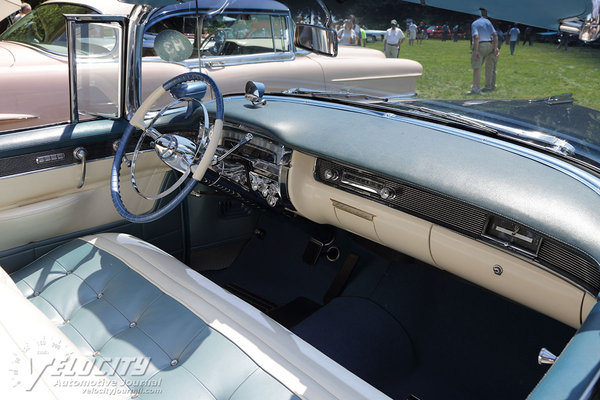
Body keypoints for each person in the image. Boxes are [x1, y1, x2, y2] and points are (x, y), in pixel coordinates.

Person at [468, 8, 498, 94]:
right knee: (490, 66)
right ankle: (490, 85)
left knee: (477, 68)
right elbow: (495, 35)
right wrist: (495, 48)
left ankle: (476, 88)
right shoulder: (488, 22)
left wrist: (476, 50)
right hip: (489, 45)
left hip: (480, 46)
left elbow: (476, 37)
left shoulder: (475, 24)